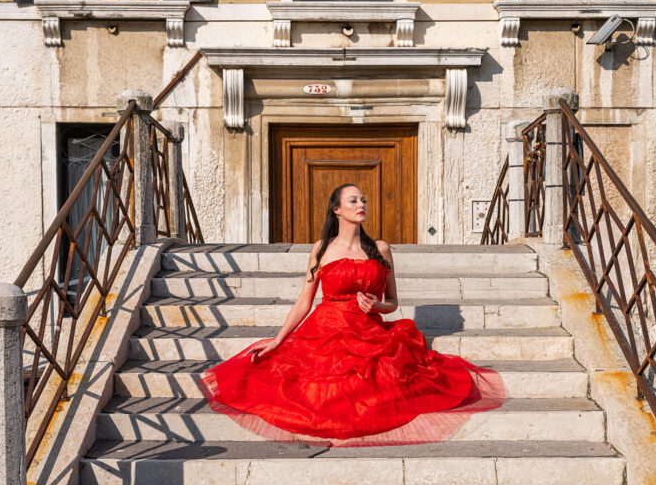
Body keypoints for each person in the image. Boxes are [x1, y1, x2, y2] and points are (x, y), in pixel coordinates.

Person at [199, 183, 505, 447]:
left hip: (370, 334)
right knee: (314, 390)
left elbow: (393, 302)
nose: (361, 205)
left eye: (363, 201)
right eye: (353, 201)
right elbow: (304, 301)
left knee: (382, 385)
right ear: (337, 210)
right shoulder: (321, 249)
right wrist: (278, 341)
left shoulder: (380, 249)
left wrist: (376, 307)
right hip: (325, 330)